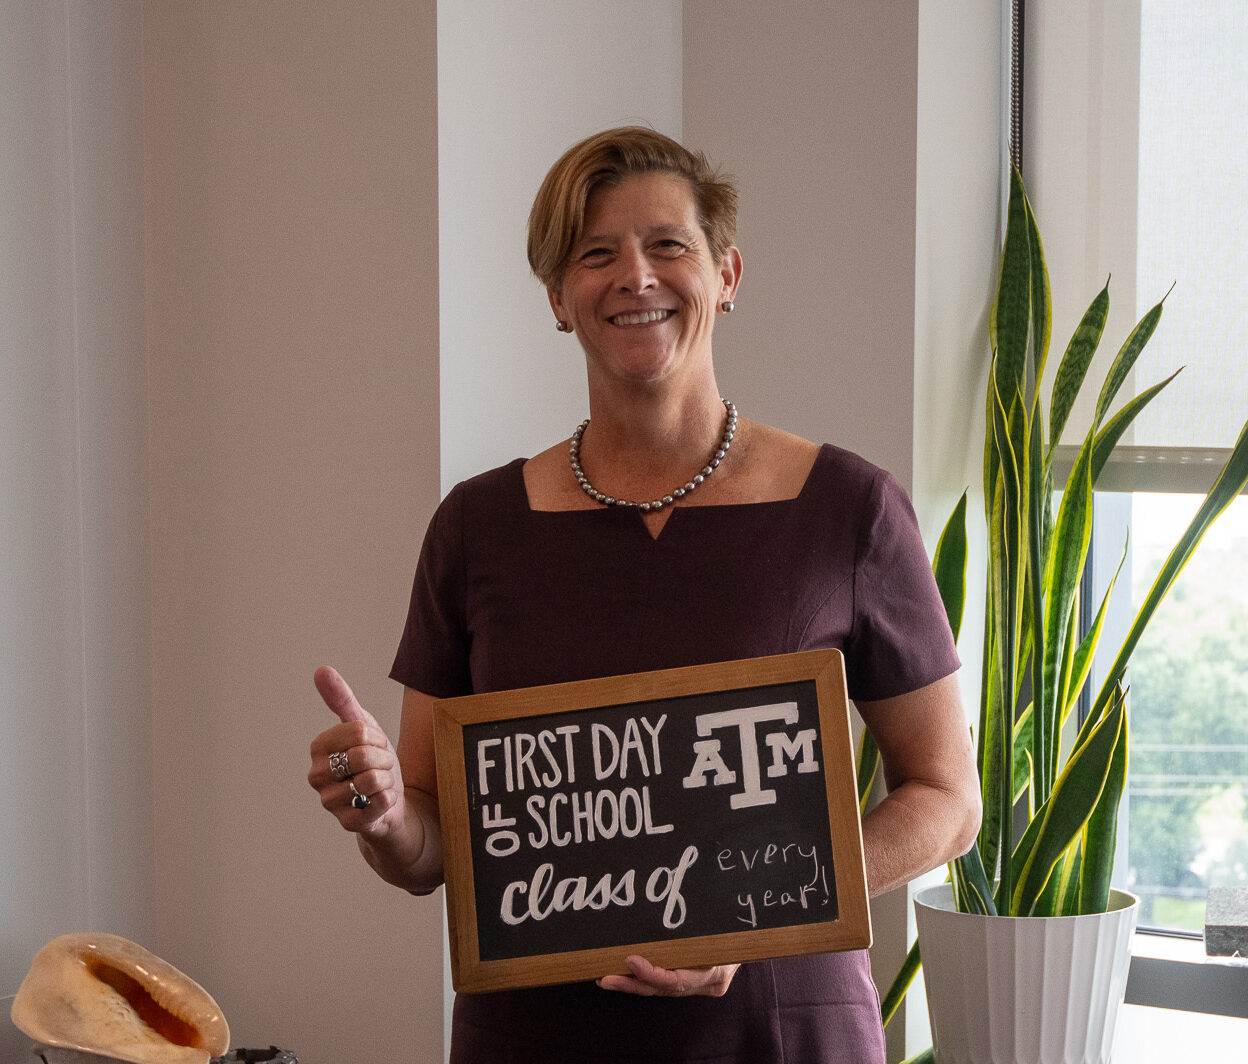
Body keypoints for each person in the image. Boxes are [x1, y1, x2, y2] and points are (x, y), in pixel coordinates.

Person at [306, 126, 980, 1063]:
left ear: (727, 274)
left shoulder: (849, 509)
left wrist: (753, 914)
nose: (636, 276)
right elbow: (431, 851)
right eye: (596, 254)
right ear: (557, 300)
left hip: (780, 1034)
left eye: (668, 245)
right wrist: (383, 816)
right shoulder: (477, 527)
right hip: (539, 1039)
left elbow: (947, 796)